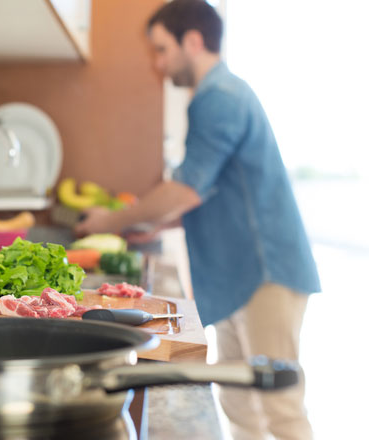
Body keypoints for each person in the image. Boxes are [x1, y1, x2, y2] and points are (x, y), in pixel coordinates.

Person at [75, 1, 321, 439]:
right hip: (243, 273)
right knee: (242, 401)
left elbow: (186, 189)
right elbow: (209, 192)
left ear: (193, 41)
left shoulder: (219, 98)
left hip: (264, 272)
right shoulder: (216, 96)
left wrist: (111, 220)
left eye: (161, 50)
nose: (158, 64)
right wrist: (157, 224)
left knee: (279, 407)